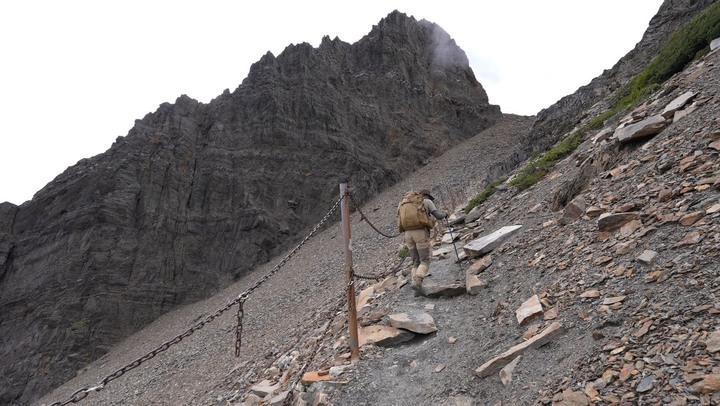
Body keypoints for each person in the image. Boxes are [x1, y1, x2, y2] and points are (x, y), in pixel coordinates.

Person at [399, 189, 447, 293]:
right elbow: (438, 216)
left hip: (407, 235)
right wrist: (445, 214)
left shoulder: (404, 203)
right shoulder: (427, 202)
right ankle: (417, 282)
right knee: (425, 260)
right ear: (427, 196)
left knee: (415, 262)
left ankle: (416, 289)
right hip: (420, 233)